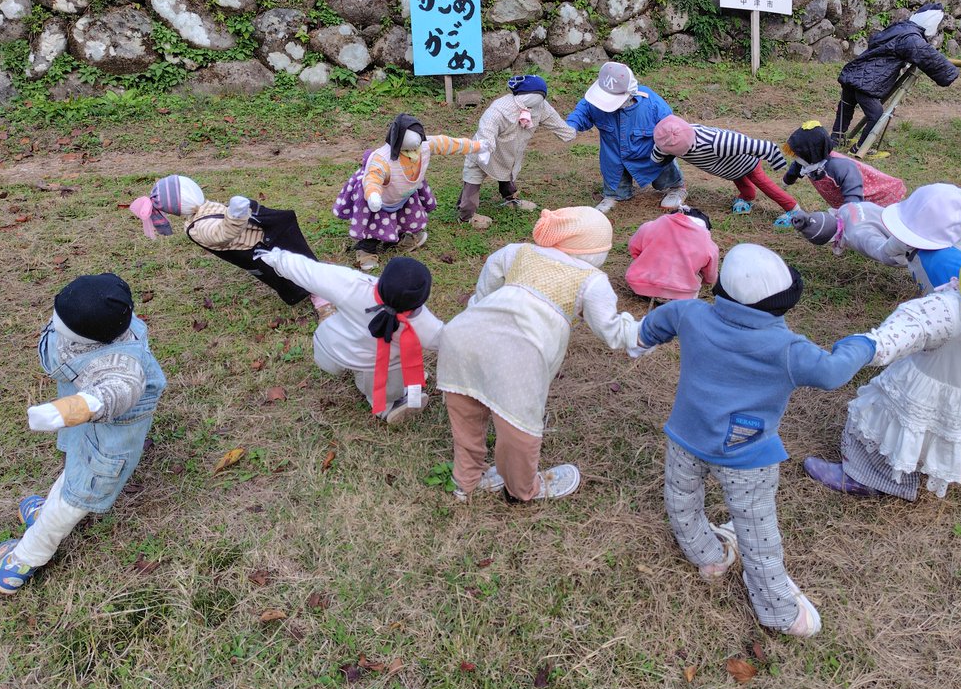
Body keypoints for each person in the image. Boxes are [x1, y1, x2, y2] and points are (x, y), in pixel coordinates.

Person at [635, 244, 876, 637]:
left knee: (681, 501)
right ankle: (778, 611)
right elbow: (833, 373)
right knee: (757, 531)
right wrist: (861, 345)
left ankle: (708, 557)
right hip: (746, 454)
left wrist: (644, 337)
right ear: (782, 306)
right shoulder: (788, 349)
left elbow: (656, 324)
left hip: (686, 436)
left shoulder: (691, 313)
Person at [804, 243, 961, 500]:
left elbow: (912, 327)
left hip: (926, 391)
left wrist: (868, 346)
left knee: (883, 423)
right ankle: (917, 465)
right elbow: (912, 329)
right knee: (936, 431)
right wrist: (871, 346)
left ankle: (864, 476)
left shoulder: (951, 310)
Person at [438, 207, 641, 503]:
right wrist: (645, 333)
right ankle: (523, 489)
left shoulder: (518, 251)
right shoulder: (591, 279)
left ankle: (466, 481)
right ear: (595, 251)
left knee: (466, 420)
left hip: (463, 335)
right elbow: (612, 331)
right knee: (519, 431)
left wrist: (477, 305)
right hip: (519, 355)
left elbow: (488, 280)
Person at [0, 274, 166, 594]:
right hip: (89, 425)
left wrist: (71, 409)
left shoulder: (123, 367)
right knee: (74, 470)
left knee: (75, 494)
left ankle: (26, 557)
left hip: (108, 438)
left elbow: (117, 390)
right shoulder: (105, 317)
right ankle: (45, 516)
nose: (54, 322)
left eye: (61, 322)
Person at [253, 250, 442, 424]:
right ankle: (388, 405)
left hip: (331, 348)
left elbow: (310, 272)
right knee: (387, 378)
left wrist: (276, 258)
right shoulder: (423, 323)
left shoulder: (353, 285)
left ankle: (396, 387)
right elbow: (447, 342)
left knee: (373, 362)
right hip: (372, 365)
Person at [130, 174, 325, 308]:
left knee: (295, 247)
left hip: (261, 232)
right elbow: (223, 233)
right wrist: (235, 214)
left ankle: (314, 273)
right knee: (287, 268)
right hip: (258, 247)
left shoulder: (203, 207)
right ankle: (318, 295)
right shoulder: (198, 228)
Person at [334, 114, 485, 270]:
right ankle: (366, 250)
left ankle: (401, 237)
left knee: (406, 215)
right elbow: (373, 177)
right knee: (375, 225)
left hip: (403, 193)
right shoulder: (383, 159)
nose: (414, 151)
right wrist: (373, 195)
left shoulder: (425, 145)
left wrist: (476, 146)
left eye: (417, 145)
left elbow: (448, 144)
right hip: (380, 197)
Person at [794, 184, 961, 294]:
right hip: (922, 230)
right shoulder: (846, 208)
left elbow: (883, 253)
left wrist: (901, 249)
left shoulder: (856, 235)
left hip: (914, 242)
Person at [833, 3, 959, 151]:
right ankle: (860, 148)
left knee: (846, 105)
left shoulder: (897, 28)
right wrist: (951, 73)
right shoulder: (911, 38)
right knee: (876, 115)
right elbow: (927, 56)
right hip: (867, 83)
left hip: (854, 73)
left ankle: (836, 138)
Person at [565, 62, 687, 214]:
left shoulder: (652, 104)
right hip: (614, 158)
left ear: (629, 94)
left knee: (663, 168)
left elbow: (671, 126)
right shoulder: (595, 103)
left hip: (649, 156)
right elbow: (583, 110)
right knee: (616, 191)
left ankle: (676, 187)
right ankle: (612, 195)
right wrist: (571, 125)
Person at [458, 75, 577, 229]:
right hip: (485, 150)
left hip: (511, 151)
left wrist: (568, 132)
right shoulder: (500, 109)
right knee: (473, 179)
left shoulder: (541, 107)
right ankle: (467, 215)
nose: (535, 101)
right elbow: (486, 128)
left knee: (508, 174)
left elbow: (554, 120)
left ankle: (510, 199)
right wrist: (485, 148)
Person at [652, 115, 802, 227]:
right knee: (739, 180)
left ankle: (793, 209)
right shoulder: (667, 139)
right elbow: (660, 151)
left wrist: (776, 160)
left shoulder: (715, 141)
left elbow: (755, 145)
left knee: (765, 185)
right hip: (729, 167)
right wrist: (655, 159)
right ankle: (747, 198)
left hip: (746, 161)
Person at [782, 121, 907, 208]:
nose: (796, 158)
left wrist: (851, 213)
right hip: (842, 201)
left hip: (872, 195)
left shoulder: (839, 167)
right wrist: (787, 181)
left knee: (879, 221)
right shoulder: (807, 162)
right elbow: (795, 168)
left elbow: (853, 193)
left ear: (812, 152)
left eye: (798, 154)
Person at [626, 207, 719, 302]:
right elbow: (710, 276)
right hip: (681, 294)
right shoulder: (706, 241)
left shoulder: (651, 226)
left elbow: (634, 248)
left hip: (640, 286)